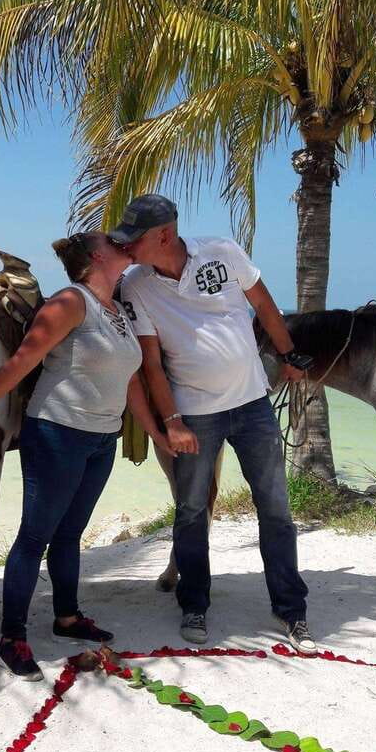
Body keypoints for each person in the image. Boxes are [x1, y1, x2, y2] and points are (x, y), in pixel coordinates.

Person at [0, 231, 175, 680]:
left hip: (102, 438)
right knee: (34, 537)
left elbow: (130, 382)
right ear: (96, 257)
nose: (125, 243)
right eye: (114, 241)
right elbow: (23, 361)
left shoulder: (118, 310)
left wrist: (156, 434)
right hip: (57, 433)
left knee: (70, 534)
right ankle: (12, 637)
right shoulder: (70, 302)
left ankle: (67, 618)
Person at [115, 194, 316, 654]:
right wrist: (172, 421)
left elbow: (264, 305)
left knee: (276, 511)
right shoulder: (136, 285)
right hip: (195, 416)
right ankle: (194, 603)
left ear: (164, 235)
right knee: (190, 512)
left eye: (134, 239)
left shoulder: (222, 252)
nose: (127, 248)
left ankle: (290, 609)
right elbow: (150, 363)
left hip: (253, 406)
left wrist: (288, 354)